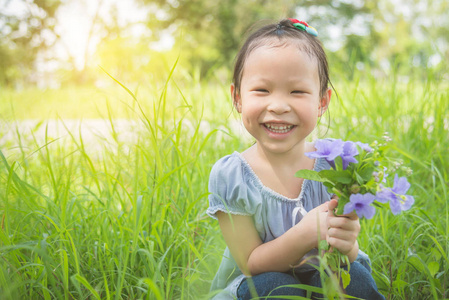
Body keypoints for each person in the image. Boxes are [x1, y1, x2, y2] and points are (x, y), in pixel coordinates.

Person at [206, 18, 385, 300]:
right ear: (238, 98)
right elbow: (251, 264)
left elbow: (346, 255)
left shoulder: (337, 166)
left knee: (354, 279)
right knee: (276, 287)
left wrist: (347, 241)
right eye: (262, 90)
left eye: (297, 91)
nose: (278, 105)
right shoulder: (232, 176)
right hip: (259, 281)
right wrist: (304, 235)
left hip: (325, 268)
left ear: (321, 103)